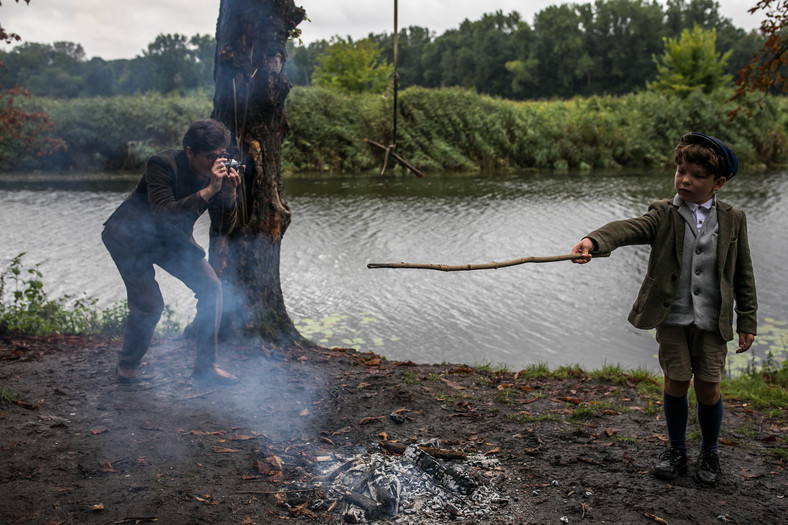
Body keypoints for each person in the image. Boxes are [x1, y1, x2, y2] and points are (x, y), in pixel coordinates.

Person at [570, 132, 757, 487]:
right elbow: (628, 228)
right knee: (675, 382)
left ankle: (710, 451)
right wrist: (594, 240)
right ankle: (676, 450)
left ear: (718, 183)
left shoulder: (734, 218)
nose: (685, 180)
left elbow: (743, 273)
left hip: (712, 320)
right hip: (672, 317)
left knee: (709, 388)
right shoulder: (664, 213)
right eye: (680, 170)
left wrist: (747, 318)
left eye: (697, 175)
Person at [102, 119, 242, 385]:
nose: (217, 162)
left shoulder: (213, 175)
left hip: (170, 240)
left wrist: (227, 196)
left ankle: (206, 368)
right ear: (189, 151)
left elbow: (222, 227)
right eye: (210, 157)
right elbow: (164, 214)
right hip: (129, 237)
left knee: (211, 287)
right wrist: (210, 189)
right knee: (149, 304)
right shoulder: (161, 164)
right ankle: (127, 368)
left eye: (221, 155)